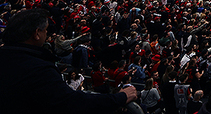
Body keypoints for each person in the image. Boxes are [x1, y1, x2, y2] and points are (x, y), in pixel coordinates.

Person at [0, 8, 138, 114]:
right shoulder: (38, 70)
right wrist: (119, 98)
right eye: (45, 30)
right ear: (36, 34)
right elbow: (73, 103)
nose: (47, 34)